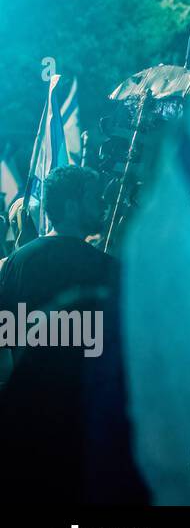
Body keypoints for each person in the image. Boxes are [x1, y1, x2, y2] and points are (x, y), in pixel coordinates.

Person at [0, 166, 149, 502]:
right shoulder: (109, 269)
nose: (101, 206)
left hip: (28, 424)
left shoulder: (14, 264)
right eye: (93, 198)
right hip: (87, 427)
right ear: (70, 206)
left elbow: (4, 343)